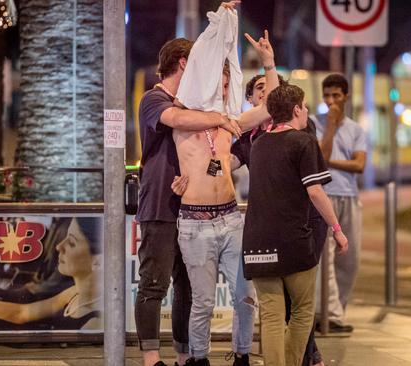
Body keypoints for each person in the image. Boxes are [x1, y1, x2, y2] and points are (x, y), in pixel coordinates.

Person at [171, 27, 278, 366]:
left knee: (245, 296)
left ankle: (242, 355)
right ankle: (199, 359)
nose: (224, 91)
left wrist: (269, 64)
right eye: (220, 84)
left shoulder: (229, 123)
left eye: (228, 85)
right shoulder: (182, 119)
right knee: (202, 302)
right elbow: (180, 114)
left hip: (231, 218)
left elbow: (268, 109)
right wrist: (217, 25)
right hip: (195, 223)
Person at [136, 30, 243, 366]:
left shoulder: (195, 104)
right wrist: (219, 118)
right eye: (201, 66)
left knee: (188, 288)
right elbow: (176, 120)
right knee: (155, 282)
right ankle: (151, 358)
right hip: (160, 207)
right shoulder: (155, 99)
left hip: (192, 211)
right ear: (185, 63)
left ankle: (185, 355)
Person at [243, 84, 348, 366]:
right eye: (304, 106)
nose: (306, 112)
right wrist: (337, 229)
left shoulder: (258, 144)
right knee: (302, 311)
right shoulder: (303, 141)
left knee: (272, 316)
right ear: (296, 110)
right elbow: (315, 192)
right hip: (292, 242)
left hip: (256, 243)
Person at [230, 74, 327, 366]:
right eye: (260, 89)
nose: (265, 94)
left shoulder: (264, 141)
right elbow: (316, 190)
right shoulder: (257, 140)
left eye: (269, 90)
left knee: (279, 312)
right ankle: (304, 358)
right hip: (289, 234)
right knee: (299, 308)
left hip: (276, 232)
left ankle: (309, 355)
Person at [0, 217, 103, 330]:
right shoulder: (74, 293)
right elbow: (21, 314)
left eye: (72, 243)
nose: (59, 246)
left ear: (98, 261)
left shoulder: (95, 322)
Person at [310, 74, 367, 332]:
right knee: (326, 257)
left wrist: (329, 163)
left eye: (336, 96)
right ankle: (328, 315)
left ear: (346, 96)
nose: (331, 101)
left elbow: (359, 164)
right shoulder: (315, 124)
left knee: (350, 260)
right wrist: (330, 127)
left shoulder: (356, 130)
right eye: (327, 96)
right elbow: (320, 158)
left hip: (350, 197)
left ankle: (336, 311)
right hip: (325, 196)